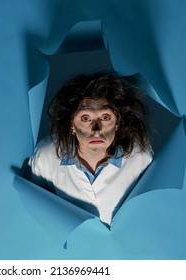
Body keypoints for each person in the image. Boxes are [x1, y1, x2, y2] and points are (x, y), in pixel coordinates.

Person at [24, 72, 153, 226]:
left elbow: (150, 209)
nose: (97, 129)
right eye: (85, 118)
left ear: (117, 123)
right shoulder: (45, 156)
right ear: (72, 124)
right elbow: (32, 208)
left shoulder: (140, 156)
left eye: (105, 117)